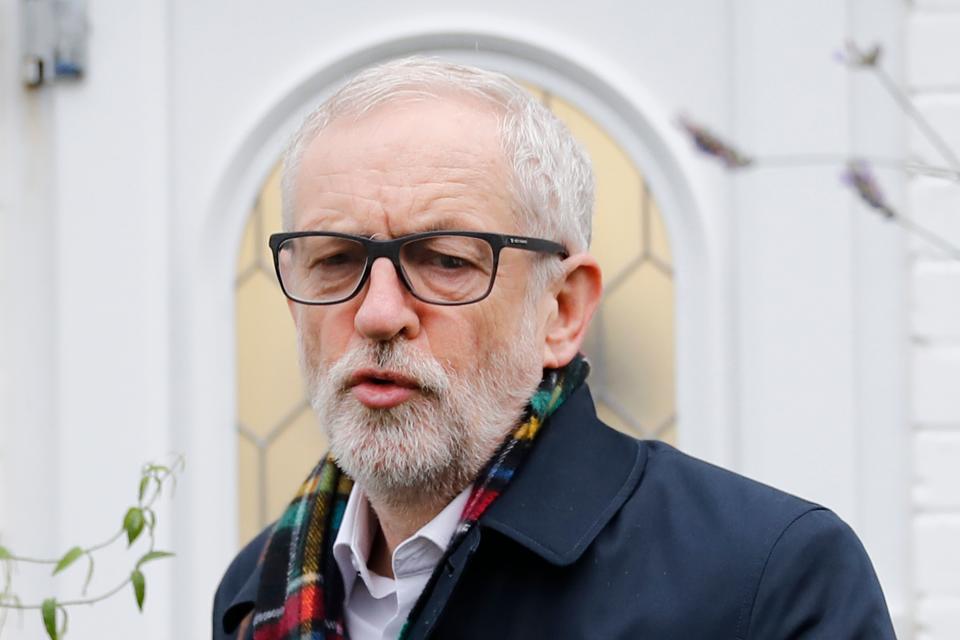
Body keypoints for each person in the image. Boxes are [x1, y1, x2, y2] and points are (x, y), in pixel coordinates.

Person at [214, 57, 896, 640]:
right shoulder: (258, 587)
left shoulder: (767, 580)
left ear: (563, 309)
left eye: (446, 260)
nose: (380, 313)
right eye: (335, 259)